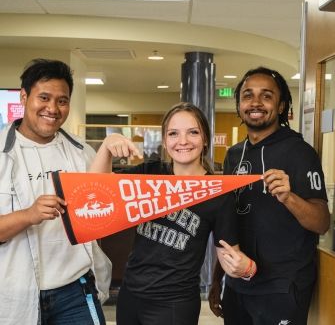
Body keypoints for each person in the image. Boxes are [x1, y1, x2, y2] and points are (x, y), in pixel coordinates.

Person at [89, 102, 256, 325]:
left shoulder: (217, 192)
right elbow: (95, 191)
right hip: (131, 295)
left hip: (174, 304)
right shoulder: (150, 173)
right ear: (165, 142)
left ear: (205, 139)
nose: (183, 141)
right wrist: (107, 145)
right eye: (174, 133)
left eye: (193, 132)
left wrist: (246, 268)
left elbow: (229, 258)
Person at [208, 67, 330, 325]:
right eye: (248, 95)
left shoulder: (300, 152)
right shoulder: (233, 154)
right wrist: (218, 278)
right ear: (239, 104)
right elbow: (227, 224)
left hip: (282, 288)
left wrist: (289, 198)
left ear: (281, 104)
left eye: (266, 96)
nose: (255, 103)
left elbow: (321, 222)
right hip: (239, 285)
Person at [0, 59, 112, 325]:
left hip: (75, 289)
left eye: (62, 101)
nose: (52, 108)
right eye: (44, 98)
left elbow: (104, 213)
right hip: (14, 291)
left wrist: (109, 147)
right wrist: (29, 215)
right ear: (24, 96)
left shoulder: (82, 153)